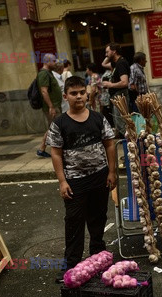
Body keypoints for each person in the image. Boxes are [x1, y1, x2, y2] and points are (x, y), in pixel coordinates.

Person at [46, 76, 116, 282]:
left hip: (100, 177)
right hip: (75, 181)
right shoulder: (60, 123)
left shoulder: (98, 118)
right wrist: (62, 181)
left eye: (82, 92)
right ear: (66, 96)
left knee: (98, 217)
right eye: (74, 93)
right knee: (74, 221)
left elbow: (110, 144)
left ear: (87, 94)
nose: (78, 96)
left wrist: (112, 172)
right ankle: (71, 265)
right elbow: (56, 153)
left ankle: (98, 257)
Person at [36, 54, 62, 158]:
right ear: (47, 61)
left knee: (53, 127)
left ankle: (42, 148)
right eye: (54, 61)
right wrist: (51, 106)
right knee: (55, 128)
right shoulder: (44, 74)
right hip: (51, 107)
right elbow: (44, 91)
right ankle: (44, 148)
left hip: (54, 105)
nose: (55, 63)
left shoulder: (49, 73)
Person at [101, 43, 130, 137]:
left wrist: (110, 85)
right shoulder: (116, 63)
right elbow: (103, 64)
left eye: (107, 52)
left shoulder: (121, 63)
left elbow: (125, 82)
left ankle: (128, 140)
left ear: (114, 51)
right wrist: (109, 56)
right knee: (118, 120)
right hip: (116, 95)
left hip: (121, 95)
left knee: (120, 120)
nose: (106, 54)